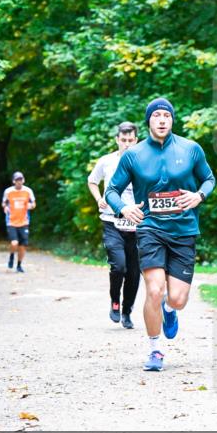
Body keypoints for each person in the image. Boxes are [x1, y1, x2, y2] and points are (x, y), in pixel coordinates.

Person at [105, 97, 215, 371]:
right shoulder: (134, 155)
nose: (162, 120)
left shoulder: (191, 149)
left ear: (172, 120)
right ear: (149, 121)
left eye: (167, 115)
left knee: (176, 298)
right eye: (157, 115)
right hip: (150, 229)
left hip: (184, 230)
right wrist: (123, 208)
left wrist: (199, 196)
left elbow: (209, 179)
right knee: (154, 290)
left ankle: (169, 309)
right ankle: (155, 350)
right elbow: (111, 191)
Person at [88, 122, 142, 329]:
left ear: (136, 141)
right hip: (112, 221)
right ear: (117, 140)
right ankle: (115, 302)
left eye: (131, 140)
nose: (127, 144)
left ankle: (127, 312)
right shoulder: (106, 161)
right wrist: (98, 199)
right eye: (123, 140)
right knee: (119, 266)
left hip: (136, 224)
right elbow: (92, 181)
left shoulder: (143, 163)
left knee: (134, 273)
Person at [2, 171, 36, 273]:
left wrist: (31, 206)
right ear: (13, 181)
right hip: (11, 221)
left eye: (20, 179)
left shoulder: (28, 191)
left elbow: (33, 203)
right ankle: (12, 256)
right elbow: (4, 203)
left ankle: (19, 265)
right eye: (17, 180)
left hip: (24, 222)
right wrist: (5, 208)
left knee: (22, 245)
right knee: (14, 243)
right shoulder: (8, 191)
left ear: (23, 180)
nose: (19, 182)